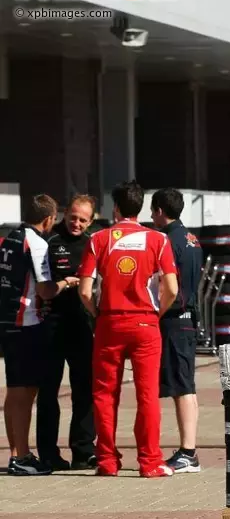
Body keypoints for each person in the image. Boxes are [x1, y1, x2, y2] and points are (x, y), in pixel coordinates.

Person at [78, 181, 179, 478]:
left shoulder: (98, 239)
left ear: (116, 208)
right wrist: (155, 313)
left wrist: (98, 314)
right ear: (142, 207)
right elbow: (171, 288)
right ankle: (149, 462)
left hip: (110, 322)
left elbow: (84, 291)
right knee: (148, 394)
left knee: (104, 394)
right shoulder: (158, 240)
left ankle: (107, 461)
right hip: (146, 323)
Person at [1, 194, 79, 476]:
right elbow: (45, 290)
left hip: (7, 321)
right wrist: (67, 283)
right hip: (27, 324)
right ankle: (21, 457)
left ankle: (16, 453)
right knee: (25, 392)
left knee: (14, 392)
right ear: (48, 219)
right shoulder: (36, 243)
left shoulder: (11, 236)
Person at [35, 194, 98, 471]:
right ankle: (48, 453)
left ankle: (84, 451)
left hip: (81, 326)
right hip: (51, 325)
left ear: (91, 221)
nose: (76, 223)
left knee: (84, 390)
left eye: (83, 219)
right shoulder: (49, 240)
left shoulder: (92, 243)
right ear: (64, 213)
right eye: (72, 217)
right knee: (48, 391)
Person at [149, 188, 204, 473]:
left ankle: (188, 452)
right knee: (187, 385)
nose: (150, 215)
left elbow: (166, 285)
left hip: (173, 318)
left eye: (152, 210)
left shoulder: (165, 241)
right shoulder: (192, 238)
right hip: (189, 315)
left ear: (159, 210)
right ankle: (188, 449)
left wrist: (155, 312)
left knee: (181, 387)